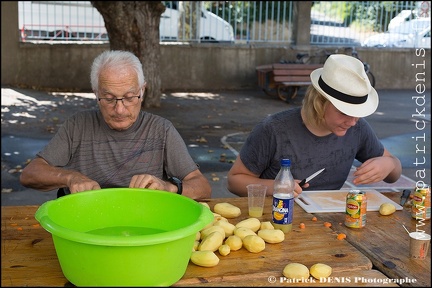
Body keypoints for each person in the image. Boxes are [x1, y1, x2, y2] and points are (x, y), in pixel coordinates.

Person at [20, 50, 211, 200]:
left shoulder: (161, 130)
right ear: (96, 94)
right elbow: (30, 174)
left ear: (142, 91)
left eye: (129, 98)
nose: (119, 109)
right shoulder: (78, 126)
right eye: (109, 98)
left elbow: (202, 187)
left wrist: (168, 187)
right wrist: (70, 178)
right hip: (88, 220)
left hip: (143, 221)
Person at [227, 54, 402, 197]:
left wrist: (388, 165)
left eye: (358, 113)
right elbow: (234, 181)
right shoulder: (274, 129)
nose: (352, 121)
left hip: (328, 220)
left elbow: (394, 173)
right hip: (275, 219)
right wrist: (276, 187)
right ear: (319, 102)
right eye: (344, 112)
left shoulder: (358, 128)